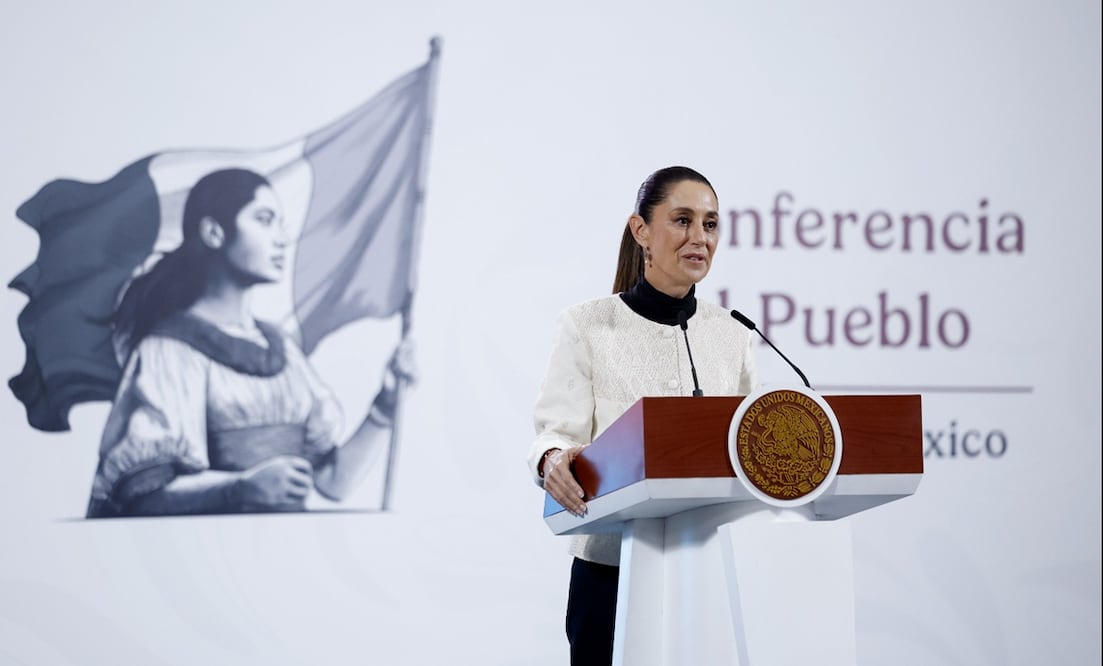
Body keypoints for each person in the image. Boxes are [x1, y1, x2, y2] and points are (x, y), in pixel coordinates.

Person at [527, 166, 757, 665]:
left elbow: (750, 451)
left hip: (707, 574)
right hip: (610, 574)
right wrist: (551, 461)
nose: (700, 237)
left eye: (711, 224)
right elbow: (553, 433)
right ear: (641, 231)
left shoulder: (732, 335)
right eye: (682, 220)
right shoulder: (587, 326)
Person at [86, 168, 413, 517]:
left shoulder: (283, 350)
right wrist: (239, 488)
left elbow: (333, 481)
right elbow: (142, 498)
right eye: (264, 219)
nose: (281, 239)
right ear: (214, 232)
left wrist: (385, 406)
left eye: (279, 222)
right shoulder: (169, 350)